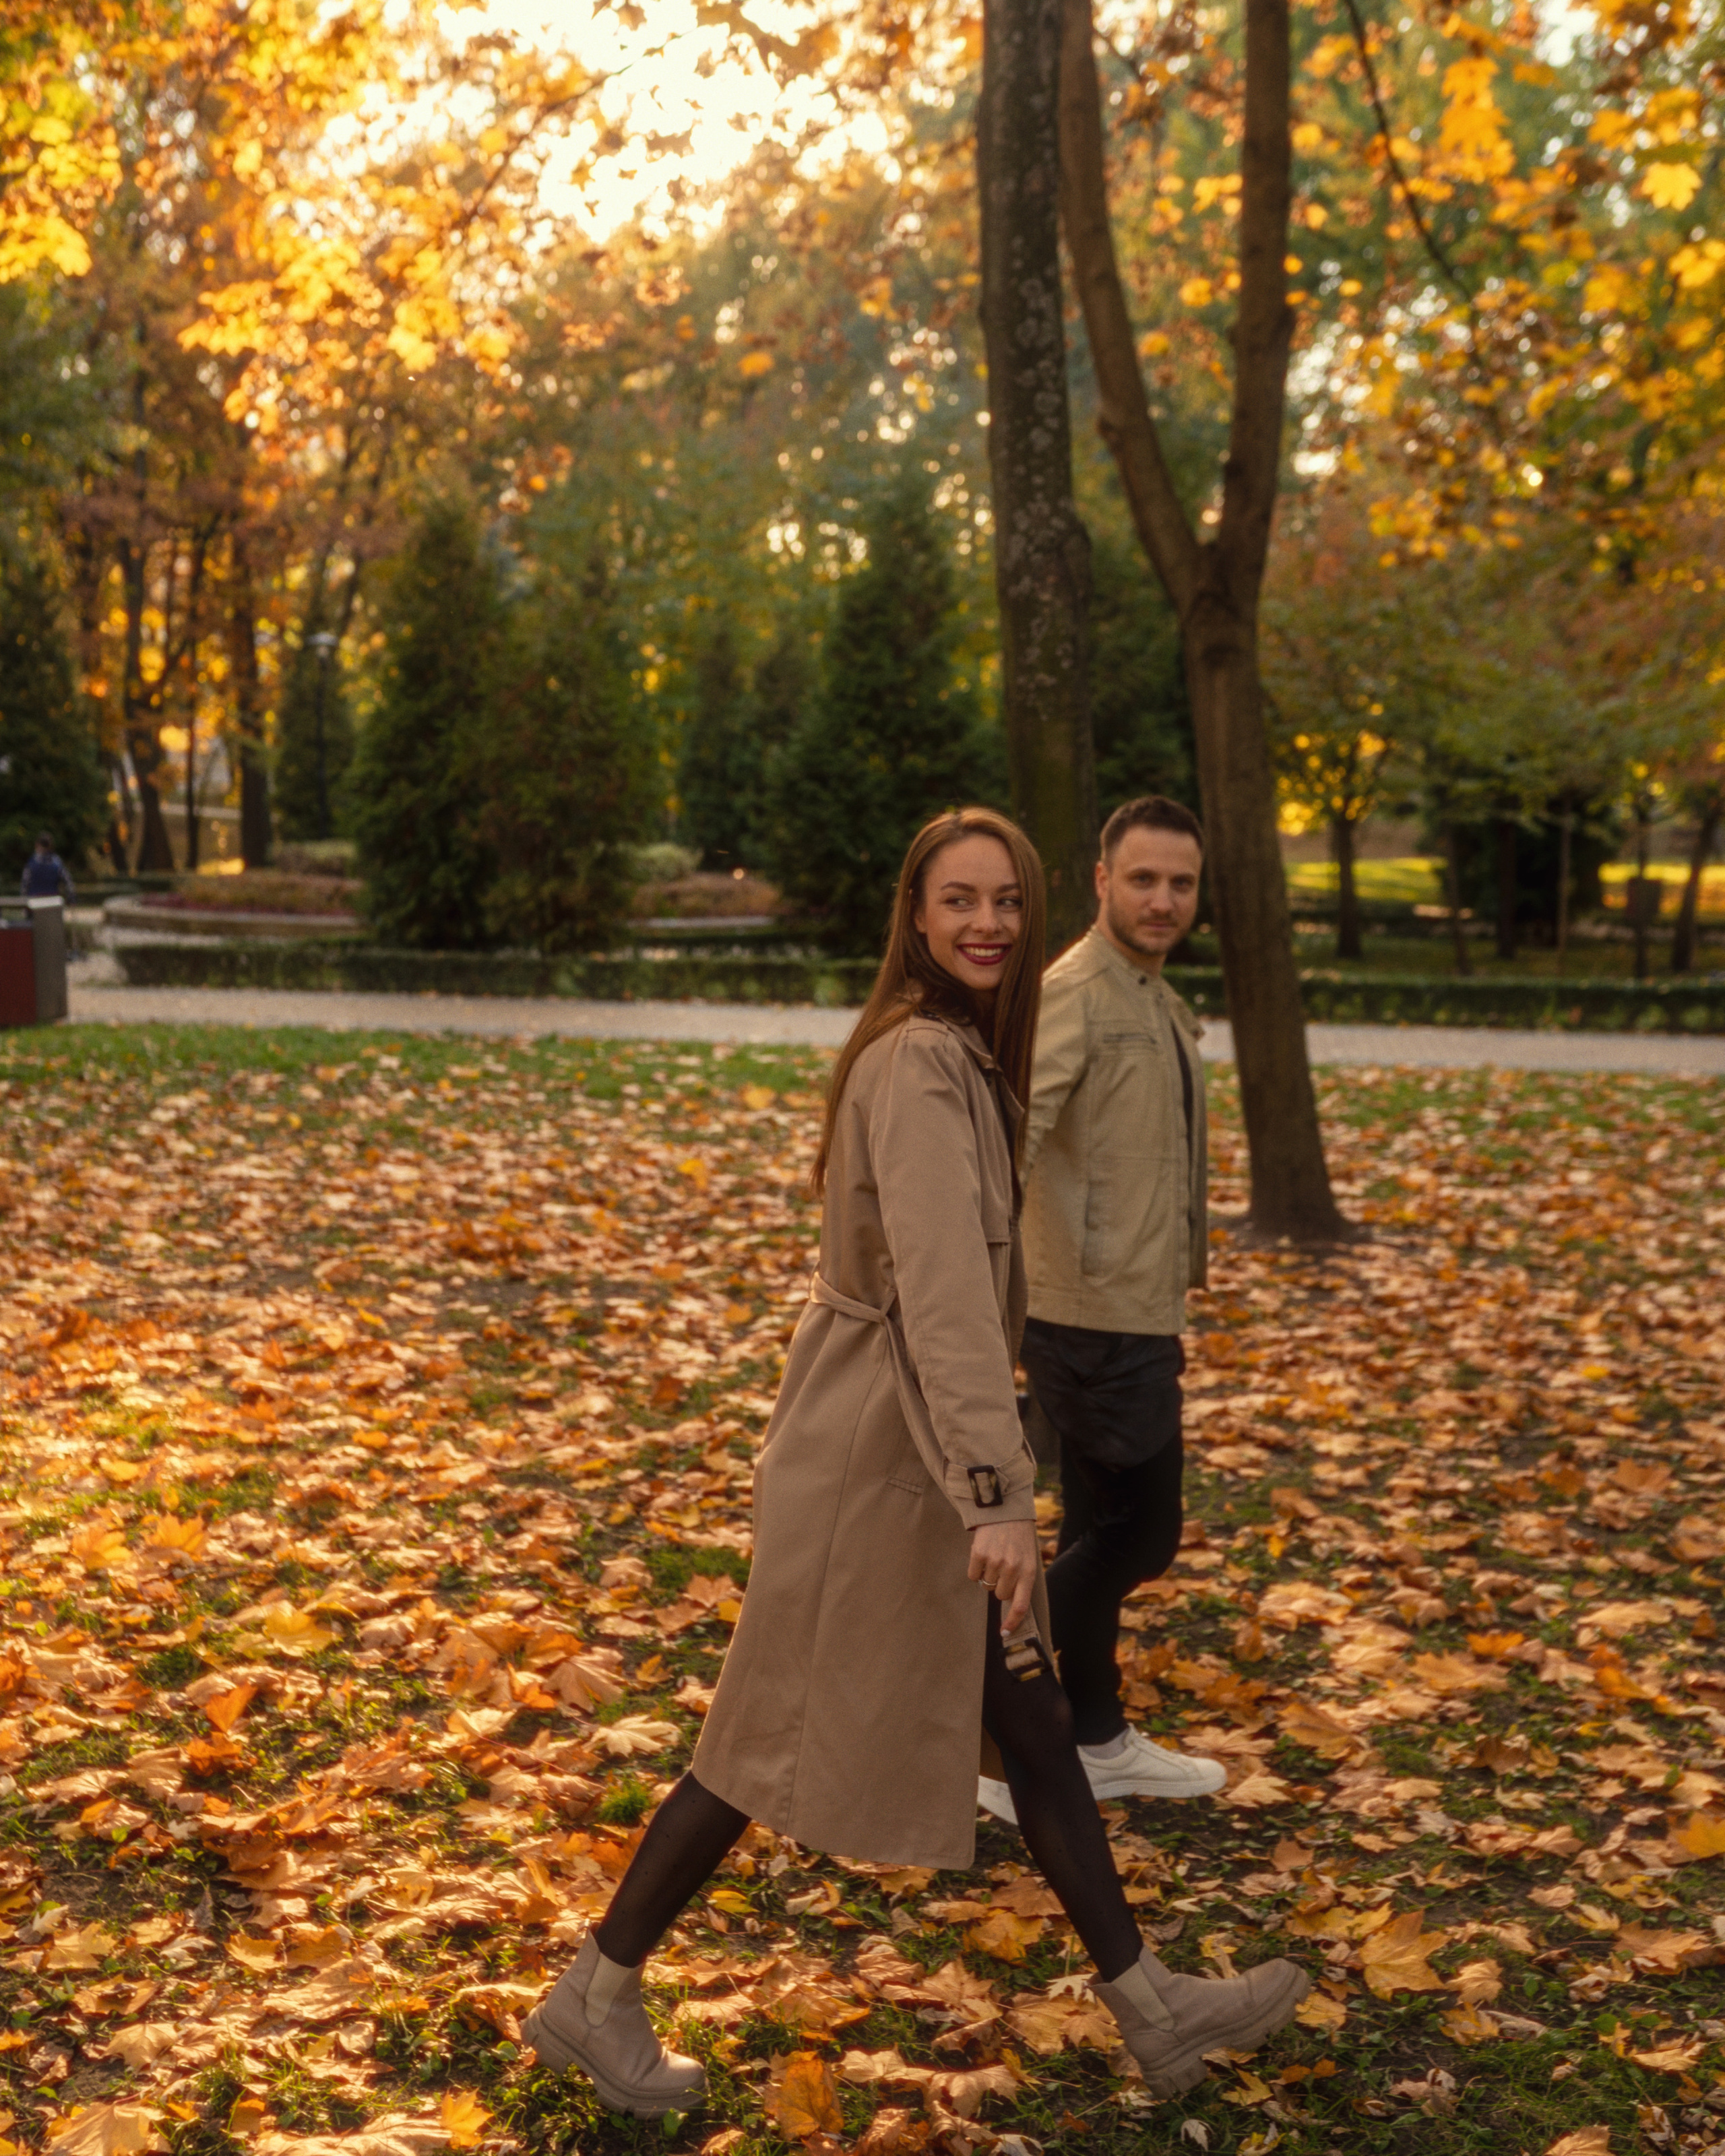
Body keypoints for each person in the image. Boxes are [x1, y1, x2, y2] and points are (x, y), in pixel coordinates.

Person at [523, 806, 1308, 2115]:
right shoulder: (921, 1065)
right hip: (877, 1458)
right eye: (959, 901)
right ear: (915, 912)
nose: (987, 924)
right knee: (756, 1736)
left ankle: (1153, 2010)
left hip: (904, 1442)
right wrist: (999, 1500)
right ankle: (591, 1994)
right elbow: (942, 1296)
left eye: (1006, 900)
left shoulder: (950, 1055)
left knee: (1034, 1720)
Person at [979, 796, 1220, 1826]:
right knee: (1138, 1535)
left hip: (1135, 1305)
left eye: (1181, 884)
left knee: (1091, 1526)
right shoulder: (1077, 992)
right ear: (1102, 881)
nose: (1163, 900)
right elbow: (1011, 1145)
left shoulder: (1155, 996)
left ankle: (1094, 1733)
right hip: (1087, 1318)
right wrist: (987, 1289)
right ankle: (997, 1726)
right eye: (1144, 880)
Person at [20, 833, 74, 901]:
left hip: (34, 902)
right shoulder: (57, 862)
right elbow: (68, 881)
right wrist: (72, 898)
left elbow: (25, 884)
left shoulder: (32, 863)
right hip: (53, 902)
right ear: (51, 846)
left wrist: (23, 900)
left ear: (37, 845)